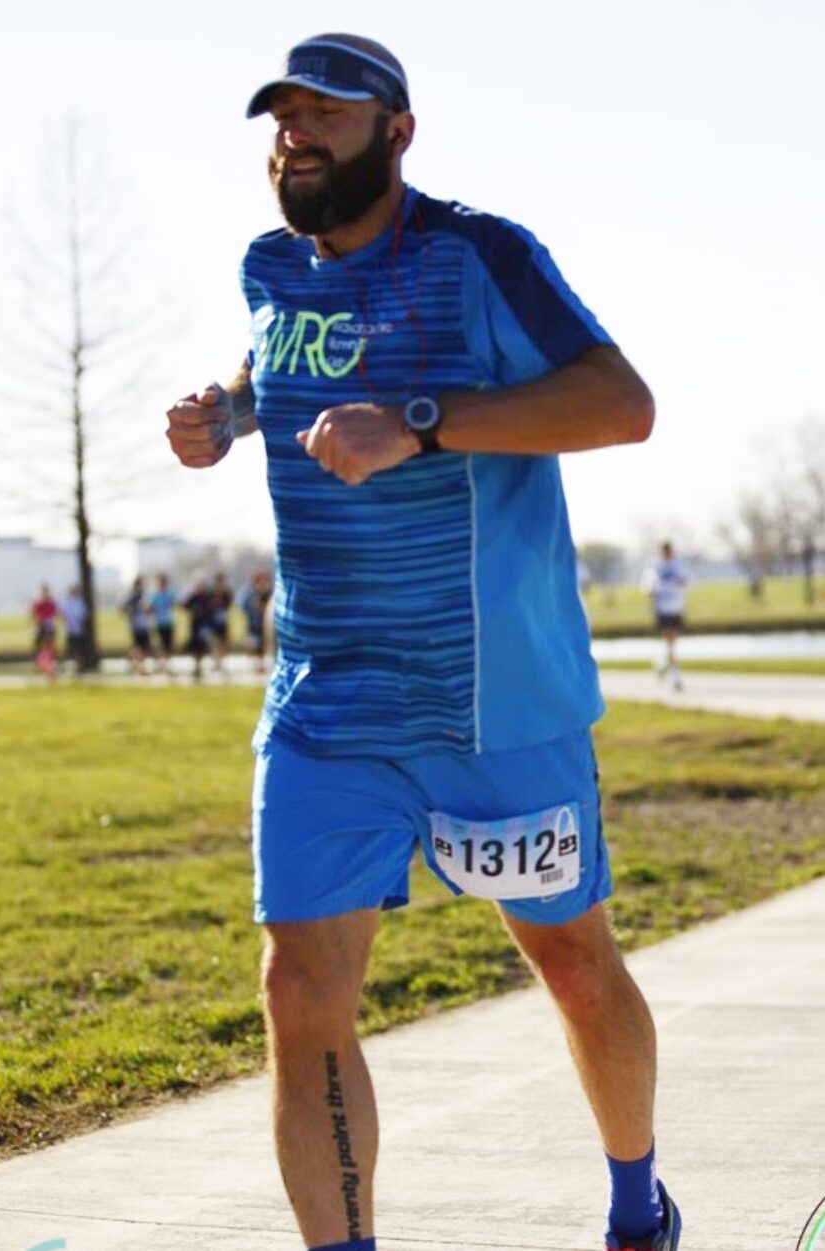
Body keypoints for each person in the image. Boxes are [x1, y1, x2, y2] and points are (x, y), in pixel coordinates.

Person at [165, 33, 679, 1251]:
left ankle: (633, 1207)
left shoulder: (477, 257)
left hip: (492, 704)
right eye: (282, 118)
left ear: (396, 133)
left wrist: (420, 422)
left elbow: (623, 405)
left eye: (325, 116)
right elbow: (279, 355)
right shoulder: (266, 267)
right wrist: (228, 412)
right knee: (301, 995)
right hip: (326, 705)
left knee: (570, 968)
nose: (296, 136)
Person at [641, 542, 690, 691]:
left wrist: (681, 583)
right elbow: (647, 587)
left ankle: (662, 665)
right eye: (664, 551)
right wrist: (652, 595)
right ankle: (676, 678)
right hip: (662, 609)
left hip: (677, 608)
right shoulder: (655, 568)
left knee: (672, 643)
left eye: (669, 551)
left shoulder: (680, 566)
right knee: (670, 644)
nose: (667, 553)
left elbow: (688, 582)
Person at [238, 570, 274, 673]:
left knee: (265, 645)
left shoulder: (270, 593)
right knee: (255, 645)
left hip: (267, 625)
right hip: (254, 624)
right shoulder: (249, 593)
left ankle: (263, 665)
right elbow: (242, 606)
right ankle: (257, 665)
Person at [121, 576, 152, 675]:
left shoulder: (145, 596)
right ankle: (138, 667)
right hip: (135, 625)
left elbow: (150, 609)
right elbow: (123, 608)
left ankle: (137, 665)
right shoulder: (131, 598)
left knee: (144, 647)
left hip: (145, 625)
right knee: (137, 647)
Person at [149, 573, 178, 674]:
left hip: (168, 622)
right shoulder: (155, 595)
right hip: (159, 622)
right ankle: (161, 665)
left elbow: (175, 604)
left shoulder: (169, 594)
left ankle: (168, 665)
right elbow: (149, 608)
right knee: (160, 645)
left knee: (169, 644)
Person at [59, 584, 89, 673]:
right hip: (70, 629)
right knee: (69, 650)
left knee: (80, 650)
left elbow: (83, 615)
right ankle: (62, 667)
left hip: (79, 630)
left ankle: (80, 667)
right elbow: (63, 614)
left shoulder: (81, 601)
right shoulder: (67, 602)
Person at [30, 583, 58, 676]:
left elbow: (55, 614)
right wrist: (39, 620)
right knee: (39, 647)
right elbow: (33, 615)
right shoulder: (38, 603)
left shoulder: (51, 603)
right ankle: (38, 664)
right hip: (40, 627)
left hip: (49, 627)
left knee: (50, 646)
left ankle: (50, 663)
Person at [209, 571, 234, 674]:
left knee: (225, 643)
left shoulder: (227, 593)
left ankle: (221, 661)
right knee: (215, 643)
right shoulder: (211, 593)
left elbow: (229, 605)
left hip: (223, 621)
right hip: (214, 622)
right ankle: (216, 663)